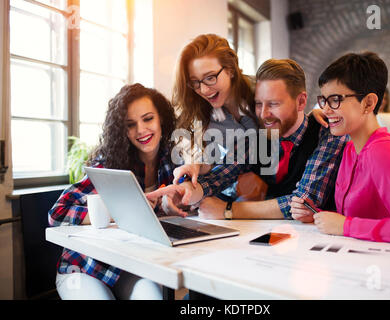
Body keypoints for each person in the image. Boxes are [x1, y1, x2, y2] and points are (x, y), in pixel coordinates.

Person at [148, 59, 348, 220]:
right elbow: (219, 177)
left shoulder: (327, 133)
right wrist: (184, 191)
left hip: (314, 246)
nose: (264, 114)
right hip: (263, 240)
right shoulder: (257, 134)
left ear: (301, 101)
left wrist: (229, 210)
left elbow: (304, 203)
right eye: (259, 104)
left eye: (274, 104)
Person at [290, 52, 390, 247]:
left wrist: (346, 227)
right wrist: (316, 214)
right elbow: (358, 218)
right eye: (324, 100)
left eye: (335, 100)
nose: (325, 110)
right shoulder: (350, 150)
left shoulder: (383, 151)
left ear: (368, 103)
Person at [48, 83, 183, 299]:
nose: (141, 130)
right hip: (85, 266)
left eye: (148, 119)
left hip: (132, 267)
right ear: (123, 130)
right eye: (131, 124)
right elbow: (57, 213)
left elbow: (191, 205)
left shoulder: (173, 162)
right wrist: (119, 210)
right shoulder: (110, 163)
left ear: (162, 119)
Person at [150, 34, 259, 213]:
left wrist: (315, 114)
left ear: (231, 69)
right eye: (195, 82)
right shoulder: (199, 111)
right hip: (235, 198)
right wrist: (194, 168)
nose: (204, 90)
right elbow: (209, 161)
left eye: (210, 77)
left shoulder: (260, 92)